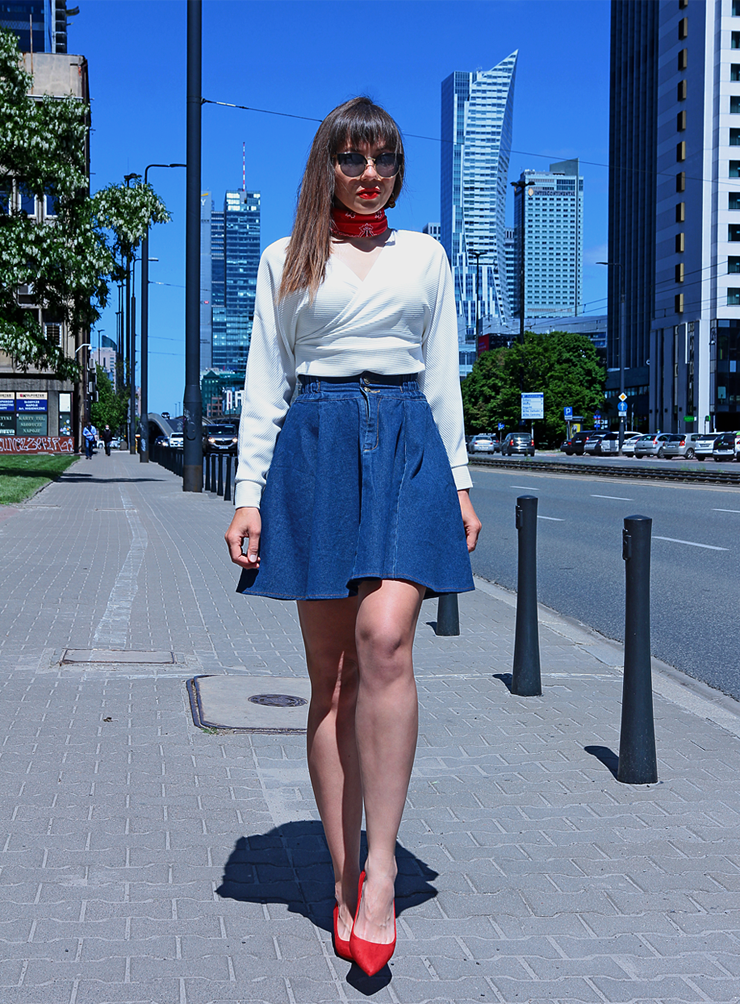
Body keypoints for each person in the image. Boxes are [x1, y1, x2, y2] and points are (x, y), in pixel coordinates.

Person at [224, 97, 481, 976]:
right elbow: (266, 384)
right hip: (317, 444)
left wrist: (461, 482)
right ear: (327, 166)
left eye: (384, 160)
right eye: (353, 159)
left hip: (408, 442)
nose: (370, 175)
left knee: (386, 641)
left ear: (398, 171)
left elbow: (442, 375)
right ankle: (341, 874)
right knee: (331, 677)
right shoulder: (286, 258)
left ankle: (382, 872)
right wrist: (247, 496)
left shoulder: (426, 257)